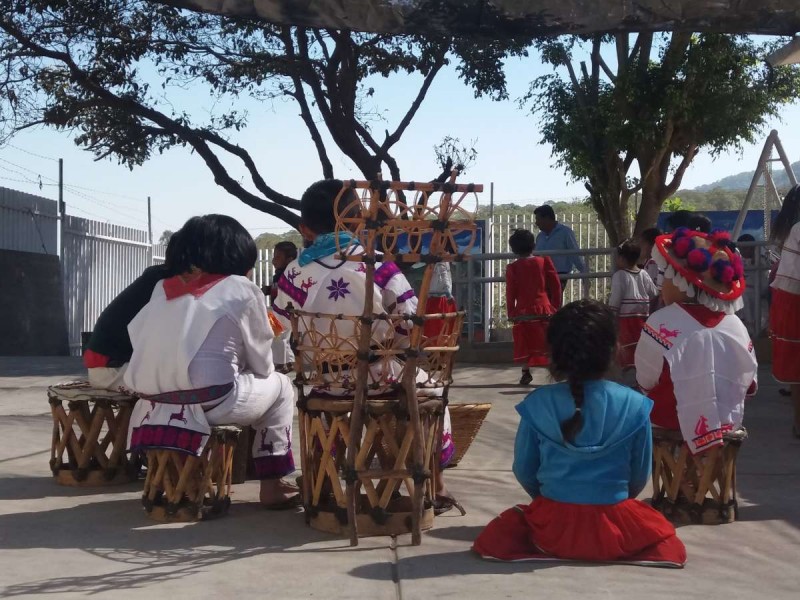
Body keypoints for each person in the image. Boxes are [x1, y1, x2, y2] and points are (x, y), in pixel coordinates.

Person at [272, 179, 463, 514]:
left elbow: (276, 326)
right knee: (435, 395)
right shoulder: (378, 264)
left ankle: (326, 478)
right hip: (383, 377)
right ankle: (438, 484)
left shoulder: (295, 272)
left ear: (304, 228)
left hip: (326, 383)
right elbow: (408, 322)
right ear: (357, 221)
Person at [473, 300, 686, 566]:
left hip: (552, 528)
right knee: (663, 534)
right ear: (613, 350)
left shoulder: (537, 404)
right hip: (616, 526)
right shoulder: (636, 405)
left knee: (502, 532)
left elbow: (525, 470)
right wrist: (612, 508)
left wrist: (550, 504)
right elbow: (639, 476)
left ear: (554, 353)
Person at [123, 214, 299, 509]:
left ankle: (185, 477)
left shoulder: (162, 288)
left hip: (152, 400)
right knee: (281, 387)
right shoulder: (242, 288)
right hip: (211, 399)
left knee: (226, 377)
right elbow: (262, 363)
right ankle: (273, 483)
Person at [635, 228, 757, 454]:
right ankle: (699, 477)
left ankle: (679, 479)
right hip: (726, 422)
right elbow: (750, 385)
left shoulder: (661, 321)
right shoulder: (735, 325)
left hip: (669, 417)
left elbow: (645, 380)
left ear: (683, 283)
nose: (662, 286)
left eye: (666, 277)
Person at [83, 231, 180, 391]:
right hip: (113, 370)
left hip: (109, 366)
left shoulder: (157, 277)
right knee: (191, 381)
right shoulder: (164, 284)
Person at [505, 229, 561, 385]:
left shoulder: (513, 268)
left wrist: (511, 311)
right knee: (546, 342)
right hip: (544, 309)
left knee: (525, 343)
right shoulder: (544, 262)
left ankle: (526, 372)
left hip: (523, 311)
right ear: (533, 245)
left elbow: (511, 292)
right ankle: (554, 371)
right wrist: (555, 306)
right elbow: (555, 286)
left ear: (513, 249)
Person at [769, 184, 800, 437]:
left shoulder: (795, 230)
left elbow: (787, 281)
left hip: (792, 303)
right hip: (792, 300)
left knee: (796, 368)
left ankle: (799, 424)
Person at [608, 239, 658, 370]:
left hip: (625, 320)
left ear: (622, 258)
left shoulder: (620, 276)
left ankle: (626, 370)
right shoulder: (644, 274)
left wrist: (610, 316)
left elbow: (615, 300)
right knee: (639, 344)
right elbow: (653, 293)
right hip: (642, 318)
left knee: (625, 347)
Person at [533, 205, 587, 297]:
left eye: (538, 219)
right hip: (541, 275)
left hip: (559, 275)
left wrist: (584, 273)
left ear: (547, 218)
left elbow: (575, 254)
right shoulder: (540, 236)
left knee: (553, 303)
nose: (536, 223)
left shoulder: (565, 233)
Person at [269, 241, 298, 372]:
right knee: (284, 337)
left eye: (278, 257)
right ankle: (290, 362)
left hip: (283, 310)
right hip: (280, 309)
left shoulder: (288, 275)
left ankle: (280, 364)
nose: (274, 260)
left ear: (290, 259)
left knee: (277, 336)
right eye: (274, 256)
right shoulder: (280, 274)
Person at [736, 234, 769, 337]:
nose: (744, 251)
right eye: (741, 249)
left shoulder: (761, 261)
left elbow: (763, 281)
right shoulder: (739, 261)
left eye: (746, 248)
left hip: (757, 294)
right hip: (743, 293)